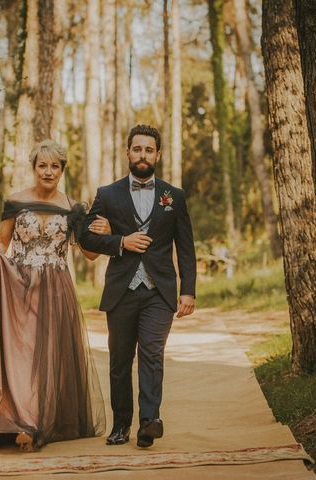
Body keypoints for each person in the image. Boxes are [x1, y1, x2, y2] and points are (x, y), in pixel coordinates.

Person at [0, 140, 107, 451]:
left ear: (62, 170)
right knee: (20, 357)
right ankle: (17, 421)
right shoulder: (15, 202)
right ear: (34, 169)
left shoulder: (74, 208)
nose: (48, 171)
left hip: (56, 291)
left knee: (45, 357)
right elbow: (2, 246)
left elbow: (88, 254)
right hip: (20, 287)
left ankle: (35, 425)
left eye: (54, 166)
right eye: (42, 166)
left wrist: (102, 230)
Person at [79, 124, 197, 448]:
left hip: (160, 290)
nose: (142, 155)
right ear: (128, 152)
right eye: (137, 149)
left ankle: (149, 421)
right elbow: (85, 237)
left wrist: (188, 290)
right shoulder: (108, 194)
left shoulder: (174, 196)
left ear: (157, 154)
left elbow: (185, 247)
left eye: (149, 149)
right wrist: (120, 241)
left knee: (151, 353)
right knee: (119, 361)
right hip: (122, 291)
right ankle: (120, 425)